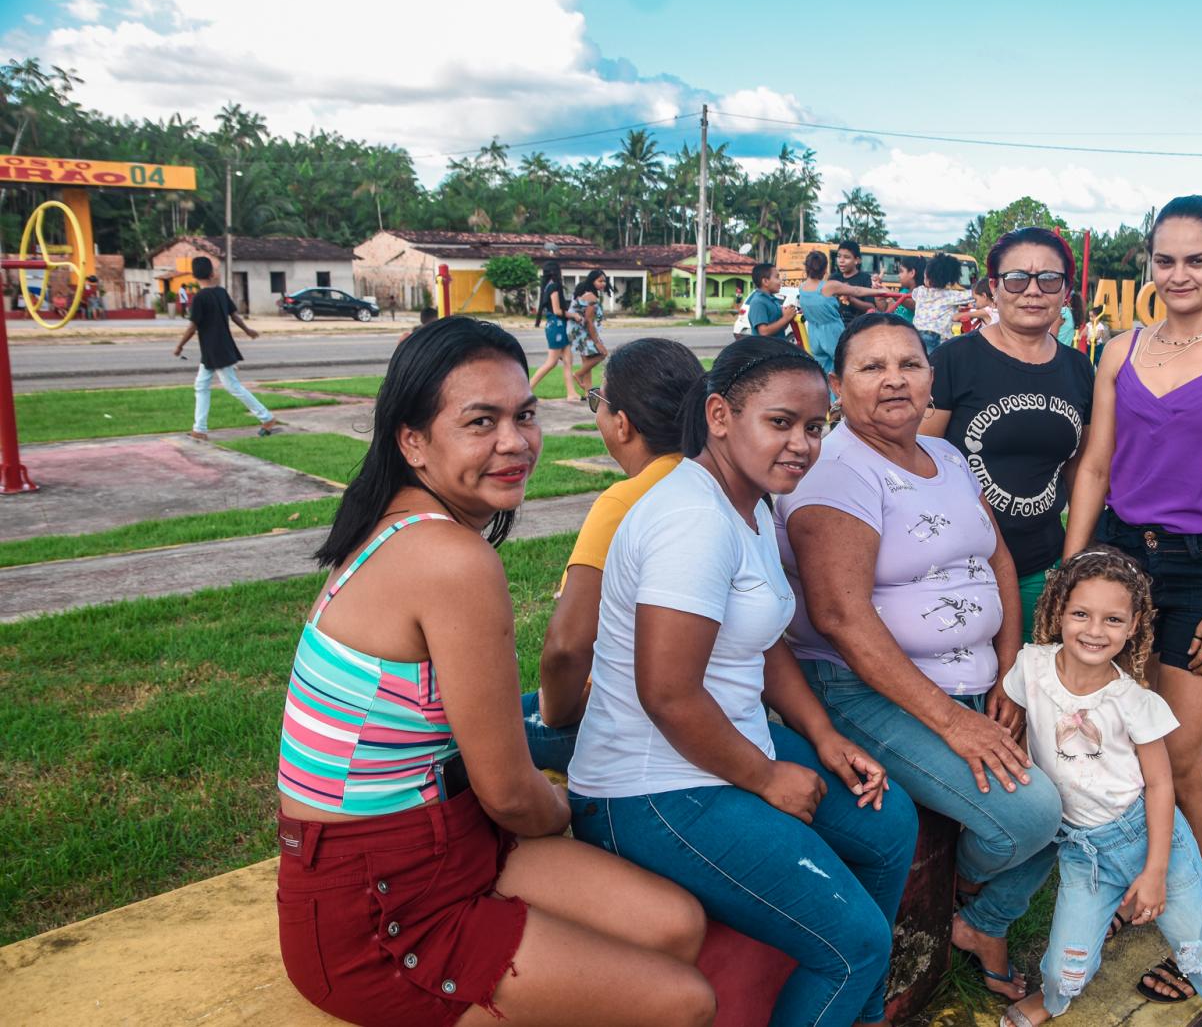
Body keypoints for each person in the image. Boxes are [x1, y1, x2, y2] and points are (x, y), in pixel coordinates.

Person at [275, 317, 714, 1027]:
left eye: (525, 415)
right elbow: (511, 793)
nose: (515, 442)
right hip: (377, 905)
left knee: (675, 924)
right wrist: (570, 810)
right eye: (481, 421)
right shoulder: (450, 560)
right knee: (683, 1004)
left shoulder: (391, 524)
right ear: (412, 440)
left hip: (453, 841)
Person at [567, 335, 917, 1027]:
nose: (802, 444)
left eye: (816, 427)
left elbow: (761, 642)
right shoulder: (693, 520)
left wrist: (821, 736)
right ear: (721, 416)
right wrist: (765, 777)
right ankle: (851, 993)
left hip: (718, 750)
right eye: (780, 423)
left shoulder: (749, 502)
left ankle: (861, 1015)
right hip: (652, 789)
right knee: (852, 945)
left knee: (888, 822)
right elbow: (666, 694)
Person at [780, 313, 1061, 1003]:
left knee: (1086, 795)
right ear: (839, 387)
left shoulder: (950, 457)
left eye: (909, 363)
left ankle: (978, 918)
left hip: (975, 678)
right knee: (1029, 817)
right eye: (871, 367)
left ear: (932, 378)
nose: (894, 379)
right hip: (862, 691)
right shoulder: (837, 474)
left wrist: (1009, 672)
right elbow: (841, 618)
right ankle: (959, 895)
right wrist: (954, 722)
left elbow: (997, 559)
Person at [1064, 194, 1202, 1004]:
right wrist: (1072, 577)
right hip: (1119, 560)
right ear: (1148, 264)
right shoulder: (1121, 352)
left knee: (1182, 755)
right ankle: (1143, 886)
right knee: (1119, 747)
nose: (1180, 274)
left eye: (1197, 258)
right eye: (1165, 259)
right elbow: (1094, 468)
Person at [995, 549, 1202, 1027]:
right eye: (1081, 614)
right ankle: (1053, 999)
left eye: (1113, 619)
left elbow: (1160, 786)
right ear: (1058, 612)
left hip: (1150, 839)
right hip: (1083, 853)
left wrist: (1155, 871)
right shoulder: (1030, 667)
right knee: (1064, 970)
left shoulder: (1133, 701)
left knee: (1201, 952)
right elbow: (1012, 724)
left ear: (1135, 624)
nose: (1095, 631)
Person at [525, 338, 706, 771]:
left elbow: (567, 646)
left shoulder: (625, 502)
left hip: (624, 718)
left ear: (622, 423)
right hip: (708, 702)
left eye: (597, 401)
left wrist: (555, 716)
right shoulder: (719, 482)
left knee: (455, 733)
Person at [921, 227, 1097, 641]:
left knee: (1033, 690)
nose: (1032, 291)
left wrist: (1069, 566)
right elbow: (919, 463)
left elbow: (1082, 468)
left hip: (1042, 563)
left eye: (1049, 279)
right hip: (957, 567)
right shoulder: (953, 361)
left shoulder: (1078, 369)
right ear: (995, 289)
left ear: (1066, 292)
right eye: (1017, 279)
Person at [172, 256, 279, 441]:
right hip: (215, 348)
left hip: (215, 349)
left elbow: (193, 326)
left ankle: (266, 417)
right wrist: (247, 330)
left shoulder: (200, 298)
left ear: (194, 275)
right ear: (212, 273)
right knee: (201, 385)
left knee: (232, 386)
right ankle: (200, 429)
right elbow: (234, 315)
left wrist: (180, 346)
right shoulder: (221, 292)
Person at [796, 249, 881, 378]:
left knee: (824, 371)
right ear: (825, 268)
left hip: (814, 333)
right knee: (844, 367)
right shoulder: (829, 286)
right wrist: (878, 292)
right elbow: (856, 291)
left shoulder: (802, 287)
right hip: (832, 331)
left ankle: (828, 397)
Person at [527, 260, 581, 403]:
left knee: (568, 361)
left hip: (557, 326)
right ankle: (526, 390)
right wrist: (574, 315)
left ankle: (571, 393)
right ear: (556, 272)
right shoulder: (554, 286)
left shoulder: (548, 286)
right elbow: (557, 310)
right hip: (557, 326)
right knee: (551, 362)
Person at [911, 253, 973, 353]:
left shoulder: (919, 291)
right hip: (937, 337)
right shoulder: (951, 296)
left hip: (916, 335)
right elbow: (972, 295)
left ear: (927, 275)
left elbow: (914, 295)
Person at [568, 270, 610, 393]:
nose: (603, 283)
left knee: (587, 361)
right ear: (592, 281)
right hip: (583, 331)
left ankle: (588, 393)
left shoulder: (586, 294)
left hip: (577, 330)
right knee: (602, 353)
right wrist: (597, 342)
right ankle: (578, 374)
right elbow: (589, 321)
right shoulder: (591, 297)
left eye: (604, 281)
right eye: (600, 281)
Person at [745, 261, 801, 342]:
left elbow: (780, 328)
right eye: (777, 277)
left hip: (777, 348)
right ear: (765, 281)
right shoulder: (758, 302)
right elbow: (763, 332)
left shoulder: (773, 299)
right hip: (766, 352)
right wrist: (785, 318)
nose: (780, 281)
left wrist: (788, 316)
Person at [830, 241, 876, 327]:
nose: (841, 261)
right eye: (839, 256)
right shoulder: (833, 278)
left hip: (857, 327)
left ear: (857, 260)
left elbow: (871, 307)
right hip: (836, 325)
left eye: (846, 257)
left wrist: (850, 298)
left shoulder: (865, 278)